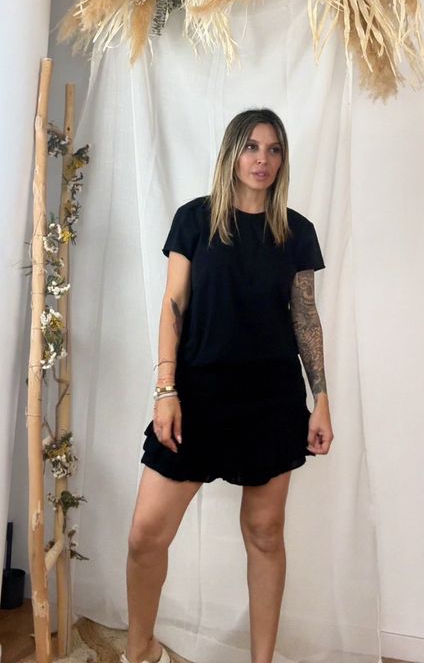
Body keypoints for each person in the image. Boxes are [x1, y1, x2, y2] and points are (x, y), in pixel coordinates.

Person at [122, 108, 334, 663]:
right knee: (146, 534)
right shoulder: (195, 220)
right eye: (251, 146)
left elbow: (305, 318)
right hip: (198, 396)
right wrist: (166, 390)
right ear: (231, 153)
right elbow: (173, 305)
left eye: (273, 149)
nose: (262, 159)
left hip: (271, 400)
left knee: (265, 533)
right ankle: (140, 651)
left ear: (283, 159)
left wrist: (321, 400)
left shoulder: (296, 232)